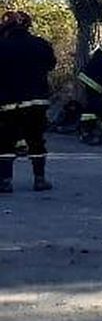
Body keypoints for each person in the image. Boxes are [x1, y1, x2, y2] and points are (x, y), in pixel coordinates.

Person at [0, 11, 57, 193]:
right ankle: (39, 180)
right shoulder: (41, 44)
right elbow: (51, 64)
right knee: (36, 140)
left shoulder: (1, 46)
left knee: (5, 142)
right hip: (37, 102)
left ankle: (5, 182)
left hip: (9, 104)